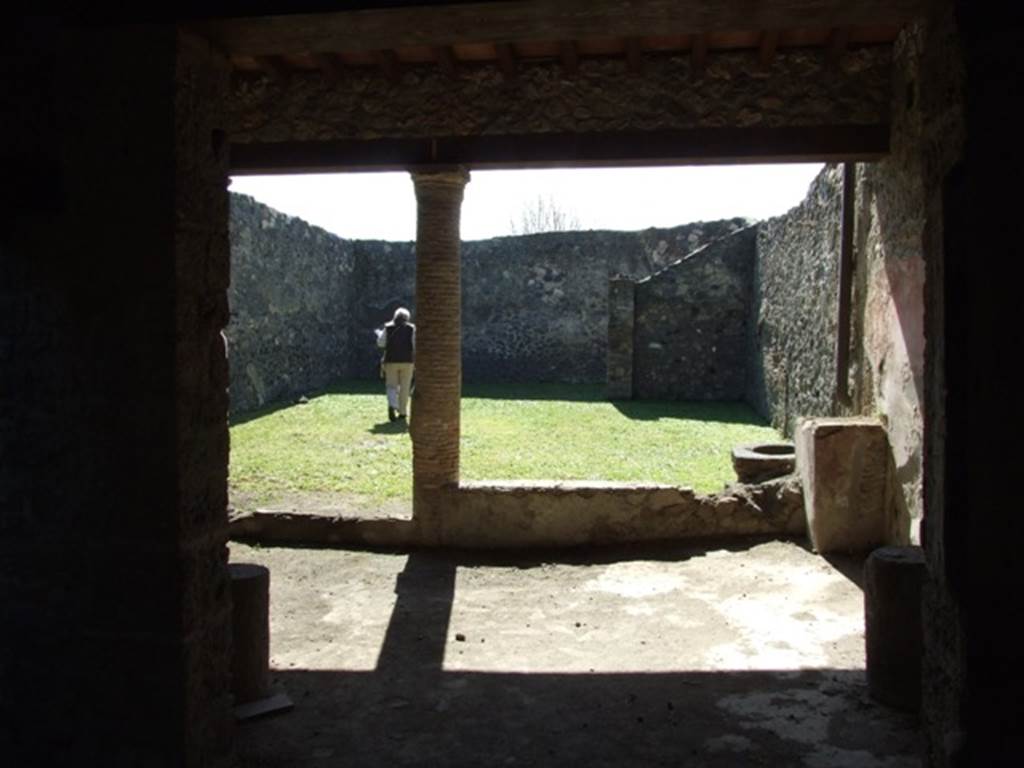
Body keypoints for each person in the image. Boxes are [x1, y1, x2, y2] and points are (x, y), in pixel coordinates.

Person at [376, 307, 415, 422]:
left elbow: (381, 343)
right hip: (407, 361)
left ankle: (393, 404)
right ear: (407, 318)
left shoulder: (388, 327)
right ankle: (402, 412)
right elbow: (415, 344)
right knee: (405, 387)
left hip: (391, 360)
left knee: (391, 385)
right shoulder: (411, 328)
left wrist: (379, 335)